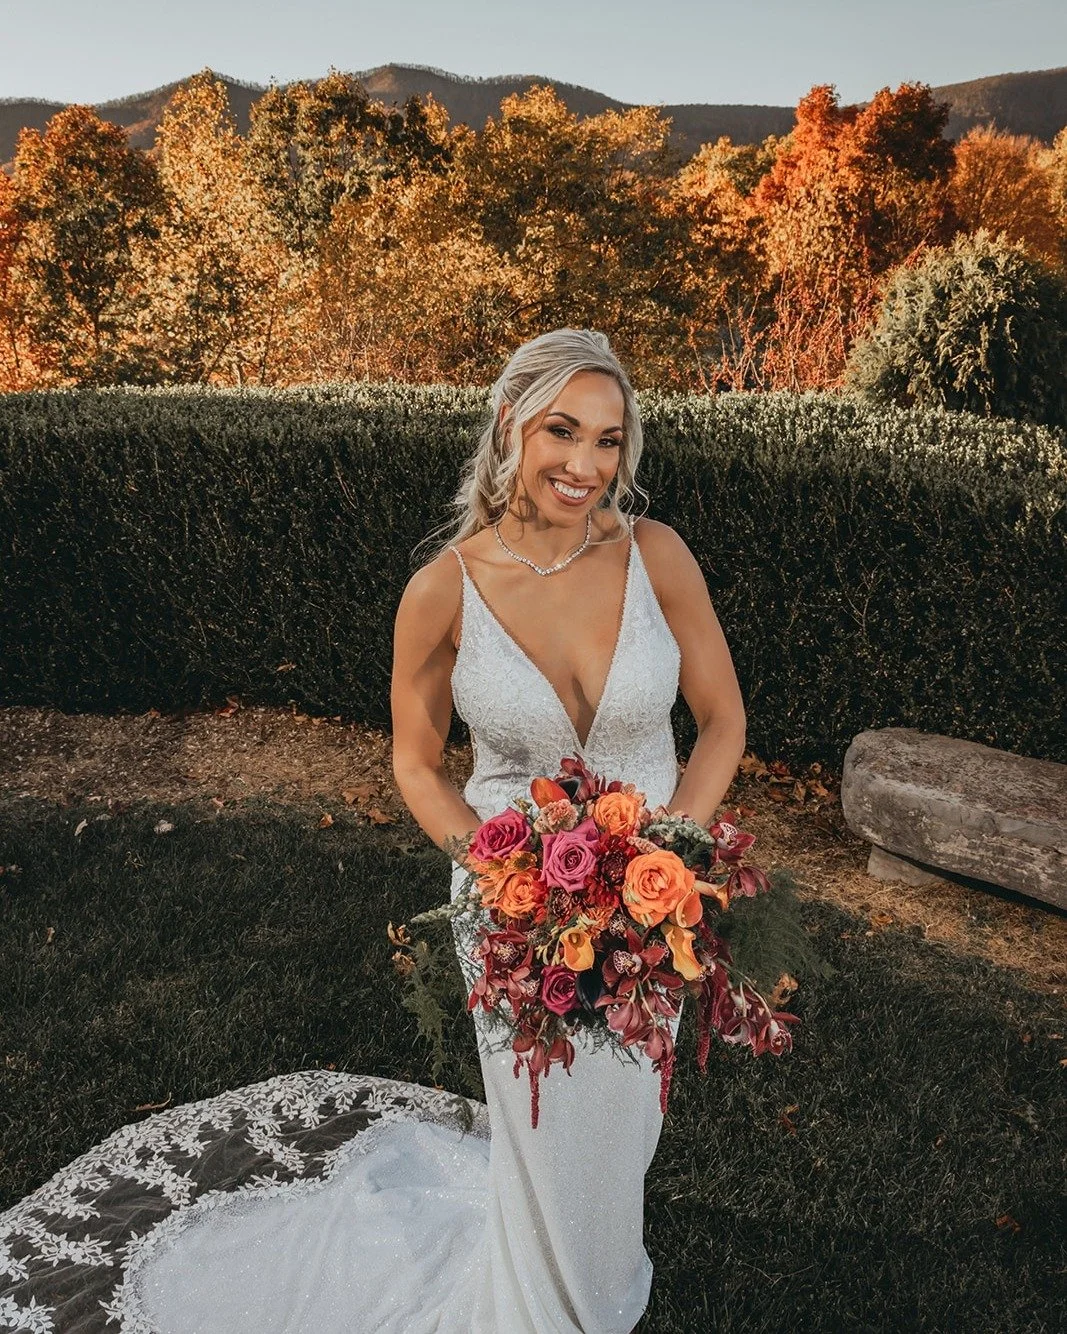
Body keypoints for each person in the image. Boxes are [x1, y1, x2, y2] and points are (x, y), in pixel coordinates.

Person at [0, 329, 745, 1334]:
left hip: (654, 899)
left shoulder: (657, 556)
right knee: (544, 1117)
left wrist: (669, 852)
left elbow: (722, 720)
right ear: (508, 425)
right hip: (512, 903)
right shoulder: (445, 587)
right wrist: (491, 862)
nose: (585, 464)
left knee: (620, 1124)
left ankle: (593, 1273)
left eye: (609, 441)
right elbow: (411, 755)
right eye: (561, 431)